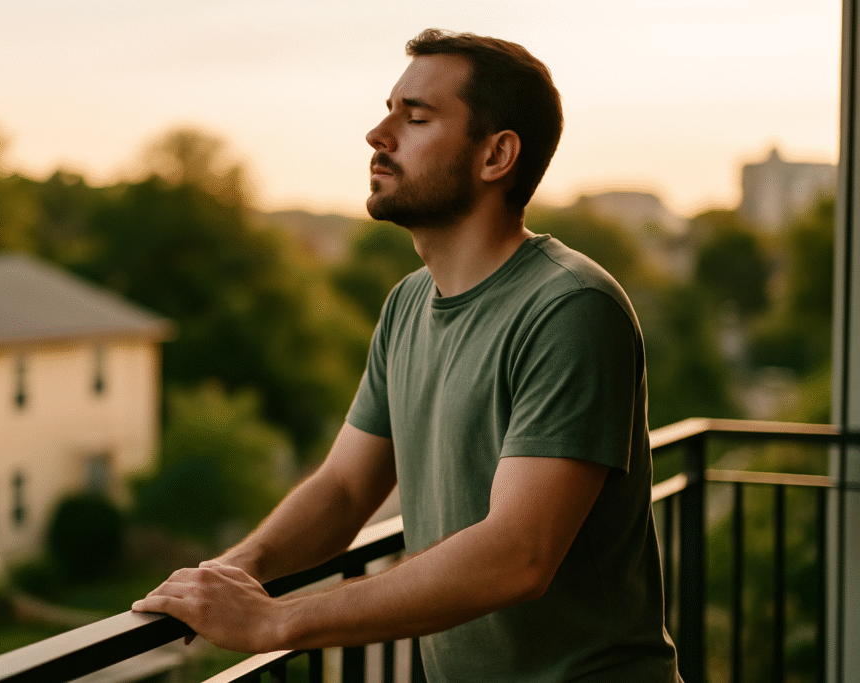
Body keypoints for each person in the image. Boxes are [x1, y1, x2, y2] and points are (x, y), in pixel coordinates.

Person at [133, 29, 681, 682]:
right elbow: (342, 489)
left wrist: (276, 621)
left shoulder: (571, 306)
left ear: (496, 155)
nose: (377, 134)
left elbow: (520, 553)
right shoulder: (407, 305)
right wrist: (235, 571)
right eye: (388, 109)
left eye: (415, 117)